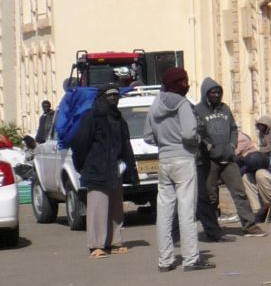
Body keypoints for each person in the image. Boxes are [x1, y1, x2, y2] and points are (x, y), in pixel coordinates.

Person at [147, 66, 206, 272]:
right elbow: (190, 133)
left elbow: (147, 136)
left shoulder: (155, 103)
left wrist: (164, 142)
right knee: (186, 211)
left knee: (164, 213)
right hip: (184, 159)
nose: (187, 85)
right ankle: (191, 259)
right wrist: (197, 141)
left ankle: (165, 260)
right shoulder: (183, 104)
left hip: (164, 161)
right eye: (185, 81)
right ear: (178, 83)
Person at [192, 78, 266, 241]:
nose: (216, 95)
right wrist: (209, 147)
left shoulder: (225, 109)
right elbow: (198, 132)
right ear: (206, 94)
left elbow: (233, 128)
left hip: (228, 158)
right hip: (208, 160)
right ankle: (212, 229)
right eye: (212, 92)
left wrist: (232, 145)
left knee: (239, 192)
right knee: (210, 196)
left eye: (218, 92)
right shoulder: (198, 110)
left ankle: (249, 225)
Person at [72, 87, 135, 258]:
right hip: (97, 168)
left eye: (116, 95)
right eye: (110, 95)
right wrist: (82, 166)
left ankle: (115, 242)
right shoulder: (91, 117)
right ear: (102, 98)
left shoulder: (119, 118)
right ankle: (96, 245)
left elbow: (125, 143)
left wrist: (129, 166)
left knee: (116, 207)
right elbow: (79, 143)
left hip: (116, 168)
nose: (114, 98)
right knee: (98, 207)